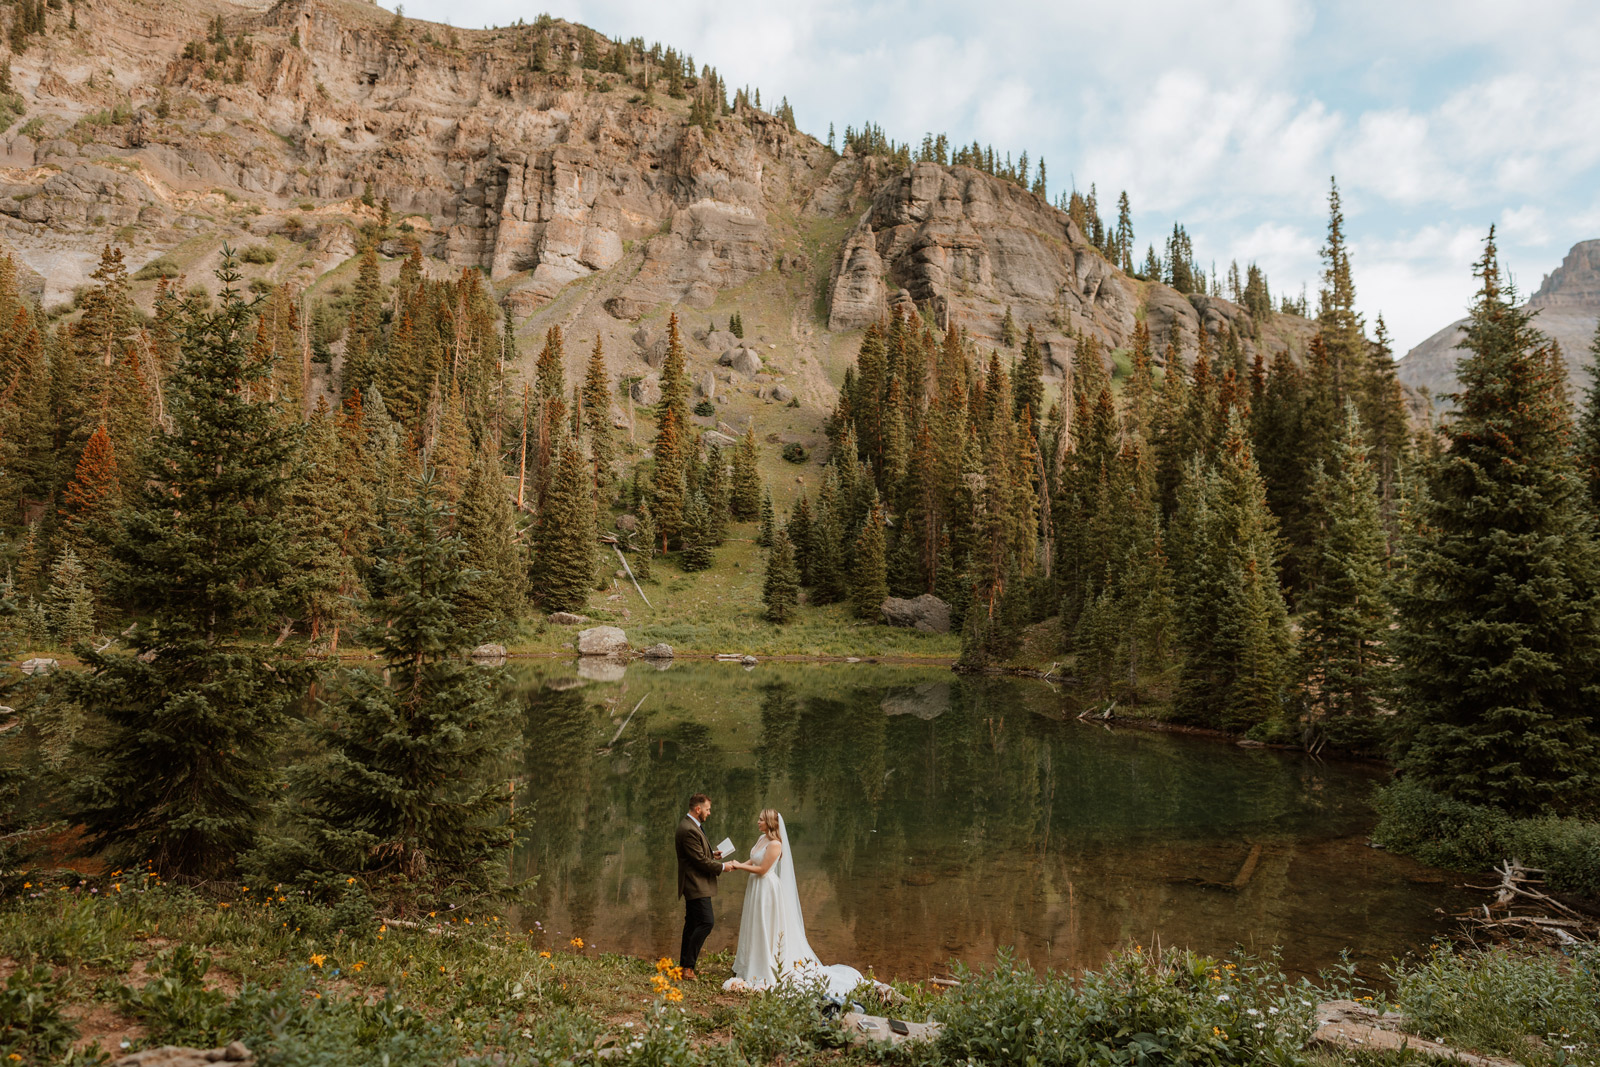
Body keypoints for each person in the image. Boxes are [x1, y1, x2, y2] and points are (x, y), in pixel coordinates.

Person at [721, 808, 863, 997]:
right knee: (754, 922)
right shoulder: (761, 839)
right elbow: (755, 859)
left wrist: (738, 866)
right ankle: (750, 962)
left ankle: (764, 965)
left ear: (770, 823)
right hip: (755, 886)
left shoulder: (775, 845)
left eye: (761, 820)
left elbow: (763, 869)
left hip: (766, 888)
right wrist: (739, 864)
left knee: (765, 924)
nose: (758, 822)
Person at [674, 792, 723, 980]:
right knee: (706, 922)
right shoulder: (688, 829)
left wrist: (712, 854)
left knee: (693, 923)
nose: (709, 813)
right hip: (695, 884)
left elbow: (699, 855)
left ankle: (685, 966)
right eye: (707, 809)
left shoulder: (693, 826)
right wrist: (723, 867)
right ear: (698, 809)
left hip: (696, 883)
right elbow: (699, 862)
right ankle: (687, 967)